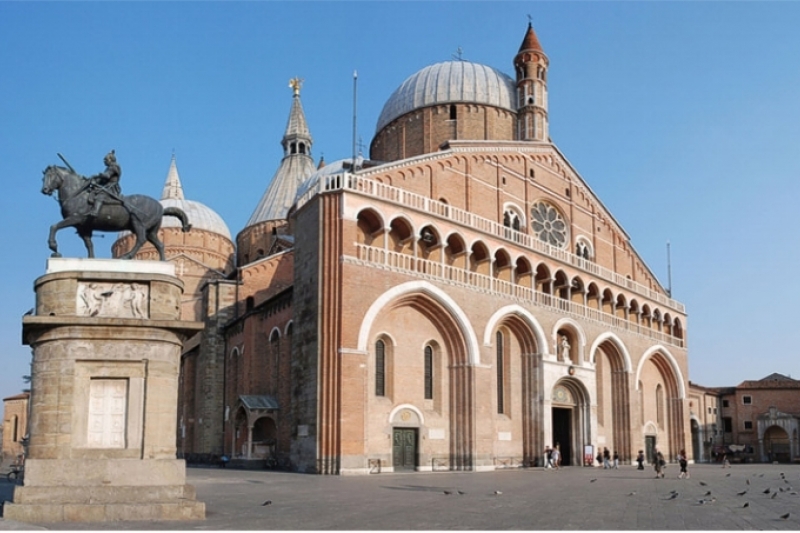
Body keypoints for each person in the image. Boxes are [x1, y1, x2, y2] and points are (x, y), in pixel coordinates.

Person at [88, 149, 122, 218]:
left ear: (110, 160)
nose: (104, 162)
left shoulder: (114, 167)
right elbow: (102, 179)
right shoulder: (109, 167)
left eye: (106, 160)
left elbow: (107, 176)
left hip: (111, 187)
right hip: (106, 185)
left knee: (100, 195)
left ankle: (95, 211)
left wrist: (100, 175)